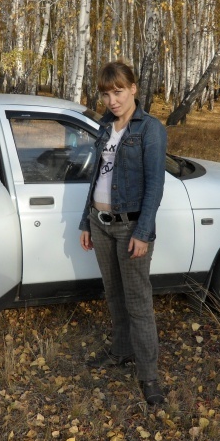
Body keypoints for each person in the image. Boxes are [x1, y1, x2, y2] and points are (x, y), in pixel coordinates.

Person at [79, 60, 168, 405]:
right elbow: (96, 176)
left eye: (118, 92)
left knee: (138, 303)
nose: (112, 101)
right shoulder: (105, 125)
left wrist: (143, 232)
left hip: (130, 226)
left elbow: (155, 186)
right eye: (105, 94)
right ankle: (121, 351)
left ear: (133, 89)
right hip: (100, 224)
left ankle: (149, 376)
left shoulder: (150, 129)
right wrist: (86, 221)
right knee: (114, 295)